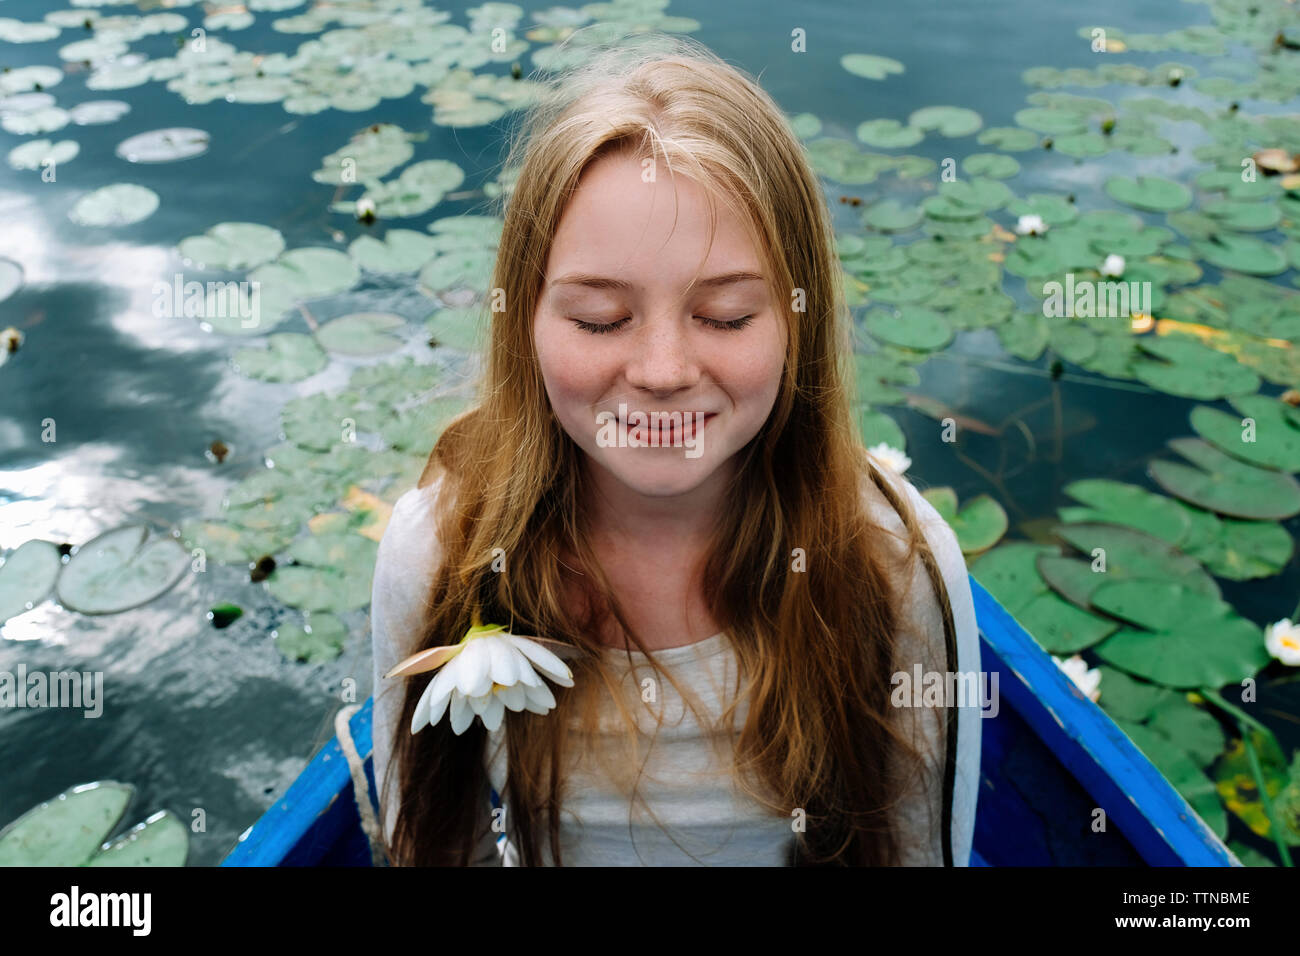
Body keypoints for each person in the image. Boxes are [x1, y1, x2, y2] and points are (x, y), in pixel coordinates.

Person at [370, 31, 981, 866]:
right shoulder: (441, 552)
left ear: (798, 321)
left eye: (726, 316)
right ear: (528, 325)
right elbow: (436, 844)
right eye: (599, 320)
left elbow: (913, 851)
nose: (662, 372)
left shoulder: (896, 561)